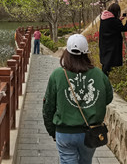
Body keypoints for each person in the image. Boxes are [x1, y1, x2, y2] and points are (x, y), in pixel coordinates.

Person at [43, 34, 113, 164]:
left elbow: (48, 107)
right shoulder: (99, 74)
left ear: (67, 53)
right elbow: (108, 98)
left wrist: (52, 131)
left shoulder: (58, 75)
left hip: (65, 133)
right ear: (86, 53)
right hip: (90, 132)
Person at [98, 3, 127, 75]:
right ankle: (104, 79)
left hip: (104, 43)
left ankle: (104, 77)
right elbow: (124, 28)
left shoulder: (104, 17)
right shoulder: (114, 21)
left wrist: (119, 20)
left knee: (105, 61)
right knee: (108, 62)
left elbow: (111, 25)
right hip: (111, 44)